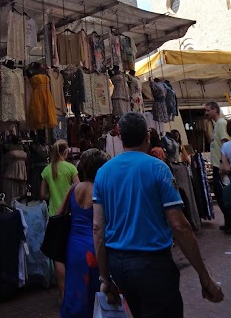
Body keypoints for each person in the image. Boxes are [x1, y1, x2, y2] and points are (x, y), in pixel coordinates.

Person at [93, 112, 223, 318]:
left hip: (119, 265)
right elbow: (179, 225)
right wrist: (204, 276)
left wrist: (104, 278)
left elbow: (98, 229)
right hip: (152, 265)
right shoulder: (158, 168)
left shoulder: (103, 172)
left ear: (120, 138)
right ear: (146, 136)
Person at [60, 148, 109, 318]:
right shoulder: (100, 189)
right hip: (94, 245)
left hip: (73, 245)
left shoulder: (74, 189)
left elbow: (59, 214)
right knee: (95, 289)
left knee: (75, 287)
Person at [40, 139, 79, 299]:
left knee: (58, 255)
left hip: (54, 216)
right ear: (66, 151)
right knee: (71, 251)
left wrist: (53, 197)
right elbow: (78, 188)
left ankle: (62, 293)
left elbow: (42, 194)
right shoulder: (71, 168)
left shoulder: (47, 170)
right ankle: (73, 290)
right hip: (70, 214)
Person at [205, 101, 230, 230]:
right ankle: (228, 222)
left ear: (215, 109)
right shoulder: (217, 124)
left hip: (219, 165)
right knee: (221, 195)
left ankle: (229, 222)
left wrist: (222, 163)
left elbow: (225, 142)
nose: (206, 113)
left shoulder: (221, 123)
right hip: (216, 164)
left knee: (222, 195)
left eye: (208, 110)